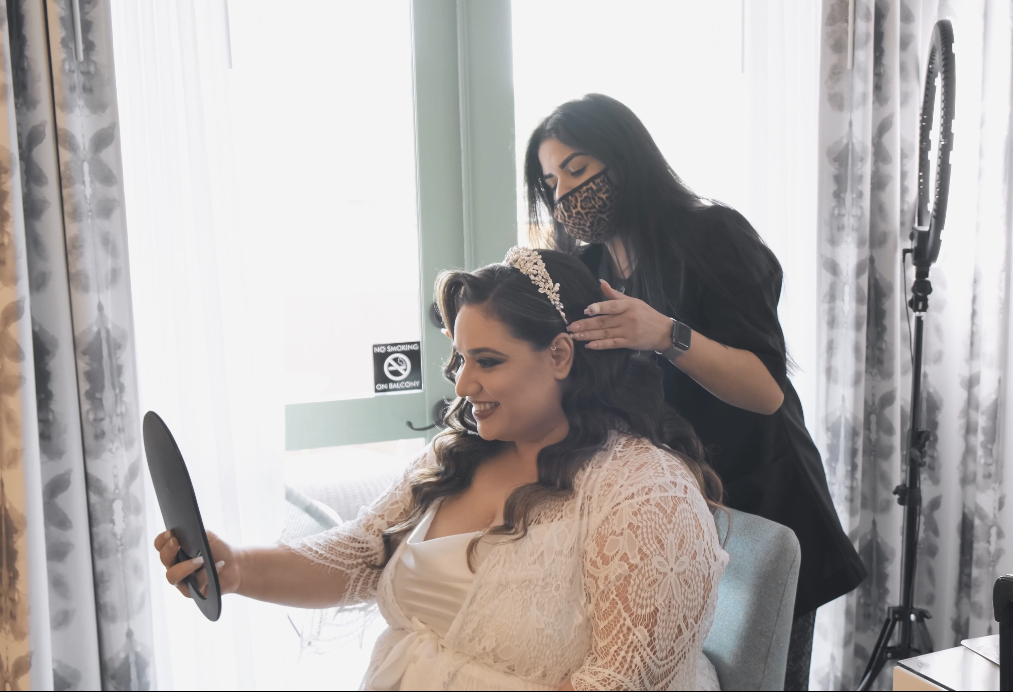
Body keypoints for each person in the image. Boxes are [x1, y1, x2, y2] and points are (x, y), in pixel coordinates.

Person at [155, 248, 728, 691]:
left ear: (559, 355)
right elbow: (361, 555)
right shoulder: (459, 455)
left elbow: (617, 683)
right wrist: (235, 568)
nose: (461, 384)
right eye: (459, 358)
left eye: (488, 361)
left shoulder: (646, 494)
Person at [524, 94, 867, 688]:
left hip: (760, 501)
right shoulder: (585, 265)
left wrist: (663, 333)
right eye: (551, 182)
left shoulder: (713, 236)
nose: (565, 195)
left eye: (578, 170)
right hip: (674, 515)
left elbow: (765, 391)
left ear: (626, 159)